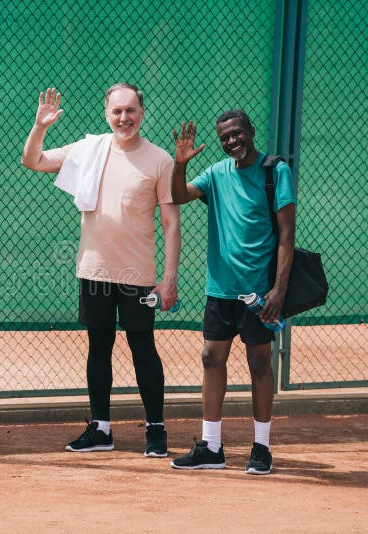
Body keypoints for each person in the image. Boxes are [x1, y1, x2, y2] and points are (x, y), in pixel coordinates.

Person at [21, 84, 180, 457]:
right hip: (93, 271)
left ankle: (155, 429)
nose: (124, 118)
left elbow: (171, 223)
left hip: (137, 275)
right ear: (106, 114)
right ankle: (101, 428)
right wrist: (40, 126)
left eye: (130, 111)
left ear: (142, 112)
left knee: (143, 348)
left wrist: (169, 278)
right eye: (116, 112)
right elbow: (33, 160)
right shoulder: (88, 150)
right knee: (99, 348)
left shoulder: (160, 160)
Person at [168, 111, 296, 475]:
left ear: (251, 133)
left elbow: (287, 236)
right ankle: (211, 447)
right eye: (224, 137)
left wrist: (278, 291)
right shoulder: (215, 173)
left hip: (258, 292)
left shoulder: (275, 172)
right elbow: (178, 195)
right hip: (220, 289)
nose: (231, 142)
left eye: (237, 134)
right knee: (211, 358)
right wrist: (179, 164)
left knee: (259, 363)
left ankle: (261, 447)